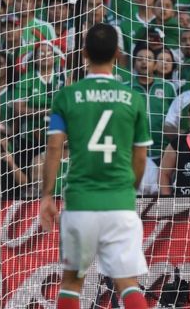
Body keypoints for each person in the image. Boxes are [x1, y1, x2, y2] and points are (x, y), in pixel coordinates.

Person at [40, 23, 152, 309]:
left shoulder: (67, 96)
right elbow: (140, 157)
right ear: (118, 53)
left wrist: (47, 195)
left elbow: (54, 147)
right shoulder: (134, 98)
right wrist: (130, 187)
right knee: (127, 282)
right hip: (119, 202)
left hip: (80, 202)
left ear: (85, 53)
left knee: (72, 283)